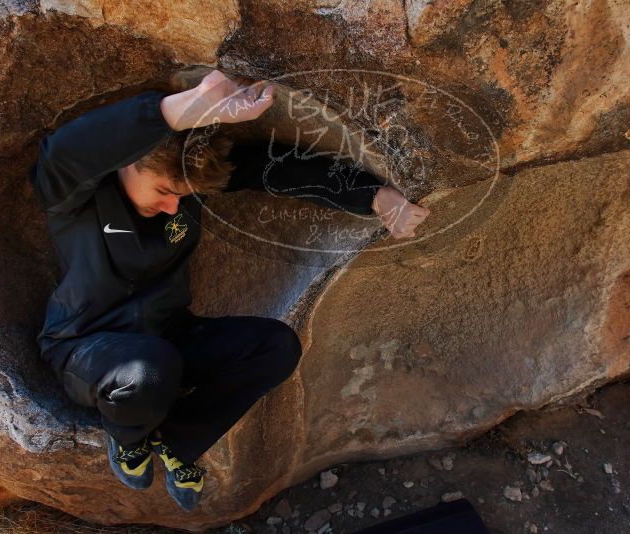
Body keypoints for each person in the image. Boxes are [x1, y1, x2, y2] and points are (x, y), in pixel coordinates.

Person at [29, 69, 430, 512]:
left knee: (276, 347)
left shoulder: (183, 197)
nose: (171, 207)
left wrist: (374, 197)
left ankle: (176, 441)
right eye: (164, 190)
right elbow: (62, 153)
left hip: (171, 336)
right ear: (128, 160)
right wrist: (177, 111)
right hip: (86, 345)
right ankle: (128, 437)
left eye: (181, 196)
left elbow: (276, 169)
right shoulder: (75, 198)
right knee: (149, 372)